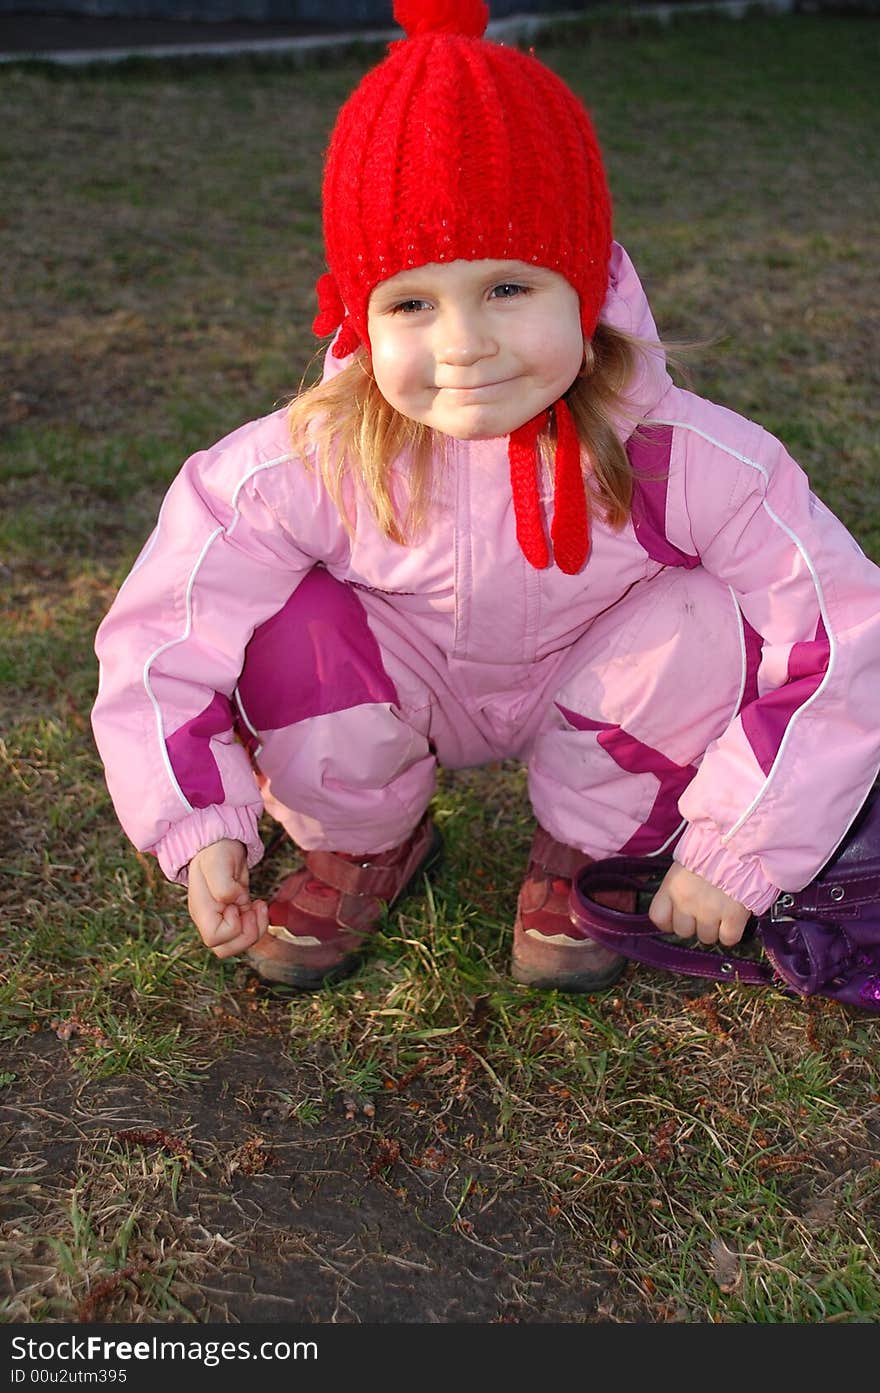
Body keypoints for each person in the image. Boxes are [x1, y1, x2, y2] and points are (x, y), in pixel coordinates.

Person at [91, 0, 880, 996]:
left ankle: (586, 851)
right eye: (412, 303)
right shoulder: (306, 461)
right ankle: (362, 842)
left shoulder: (683, 456)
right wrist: (197, 825)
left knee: (704, 611)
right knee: (286, 617)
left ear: (586, 288)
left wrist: (742, 849)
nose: (463, 343)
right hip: (403, 678)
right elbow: (163, 635)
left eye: (508, 288)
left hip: (593, 687)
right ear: (357, 314)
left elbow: (843, 631)